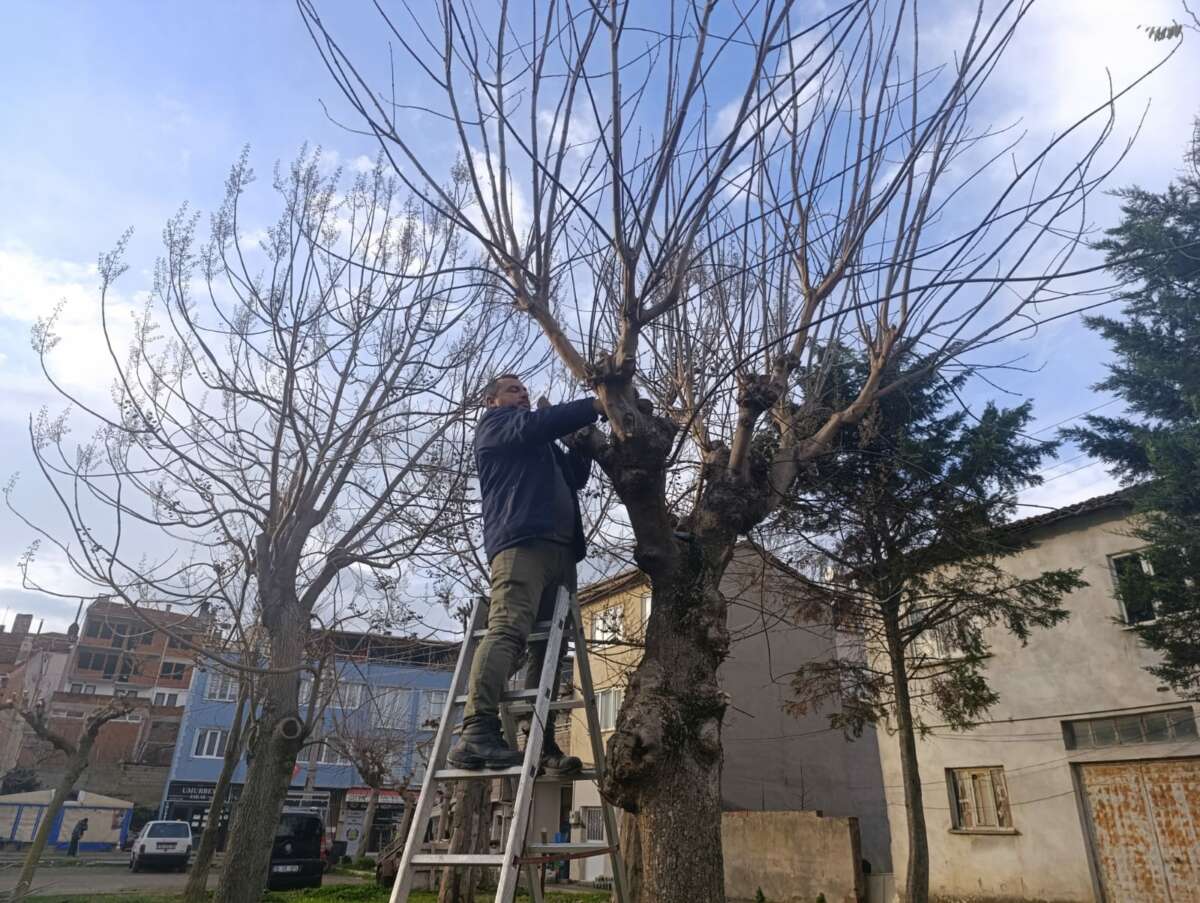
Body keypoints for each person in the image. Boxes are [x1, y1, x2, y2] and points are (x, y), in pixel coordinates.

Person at [448, 374, 603, 773]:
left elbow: (576, 478)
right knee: (508, 628)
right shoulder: (496, 426)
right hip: (522, 545)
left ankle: (542, 742)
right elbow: (538, 424)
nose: (524, 395)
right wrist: (594, 404)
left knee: (549, 648)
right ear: (491, 400)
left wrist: (581, 446)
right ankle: (476, 732)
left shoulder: (541, 445)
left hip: (561, 550)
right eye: (513, 390)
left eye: (526, 391)